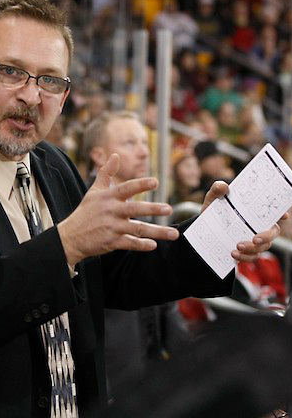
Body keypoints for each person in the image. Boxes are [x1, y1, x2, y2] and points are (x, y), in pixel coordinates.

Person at [0, 0, 281, 417]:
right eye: (11, 72)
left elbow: (113, 276)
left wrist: (216, 234)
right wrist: (66, 246)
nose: (32, 96)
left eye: (50, 81)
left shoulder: (51, 163)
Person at [81, 110, 189, 396]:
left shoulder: (141, 216)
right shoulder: (77, 214)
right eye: (130, 143)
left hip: (145, 381)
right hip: (107, 385)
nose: (143, 152)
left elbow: (164, 304)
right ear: (99, 156)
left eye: (144, 142)